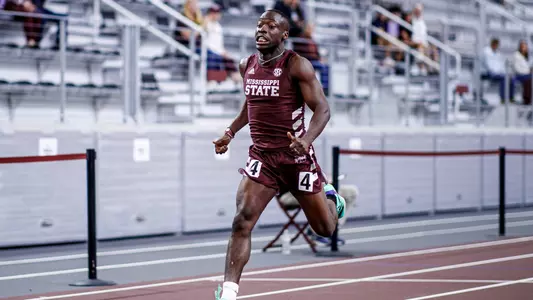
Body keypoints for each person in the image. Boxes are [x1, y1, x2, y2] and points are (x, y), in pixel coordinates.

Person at [212, 9, 346, 300]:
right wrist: (230, 132)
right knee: (241, 221)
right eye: (259, 25)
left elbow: (322, 109)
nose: (261, 30)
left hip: (295, 158)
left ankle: (333, 199)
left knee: (325, 229)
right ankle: (229, 292)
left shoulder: (297, 66)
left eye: (270, 26)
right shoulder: (245, 64)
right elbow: (251, 106)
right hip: (262, 157)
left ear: (284, 34)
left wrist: (306, 139)